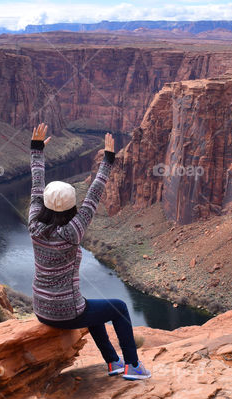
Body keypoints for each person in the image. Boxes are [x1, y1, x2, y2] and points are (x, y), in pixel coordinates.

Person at [28, 123, 151, 380]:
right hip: (67, 312)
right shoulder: (73, 230)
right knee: (117, 307)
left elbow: (36, 187)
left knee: (93, 308)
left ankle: (113, 362)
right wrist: (108, 159)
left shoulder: (34, 224)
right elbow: (95, 193)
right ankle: (133, 365)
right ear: (71, 206)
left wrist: (37, 151)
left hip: (41, 309)